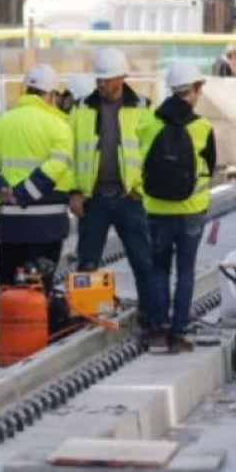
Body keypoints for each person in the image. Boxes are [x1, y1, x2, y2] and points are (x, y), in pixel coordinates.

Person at [68, 49, 161, 344]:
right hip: (93, 199)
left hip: (129, 199)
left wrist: (142, 190)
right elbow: (69, 153)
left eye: (106, 80)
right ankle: (87, 317)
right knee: (87, 262)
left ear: (121, 78)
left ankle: (151, 318)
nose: (101, 85)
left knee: (143, 261)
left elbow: (154, 155)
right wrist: (73, 192)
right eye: (99, 79)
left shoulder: (142, 108)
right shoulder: (81, 109)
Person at [0, 64, 76, 293]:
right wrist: (25, 192)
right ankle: (38, 328)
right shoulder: (59, 126)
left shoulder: (0, 123)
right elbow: (57, 165)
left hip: (12, 223)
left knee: (7, 282)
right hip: (47, 223)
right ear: (50, 95)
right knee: (40, 286)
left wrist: (1, 190)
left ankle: (3, 325)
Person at [143, 61, 217, 353]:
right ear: (195, 89)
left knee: (158, 270)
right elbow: (210, 168)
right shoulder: (202, 127)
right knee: (185, 273)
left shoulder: (149, 123)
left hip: (157, 210)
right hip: (190, 212)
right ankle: (178, 333)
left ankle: (158, 331)